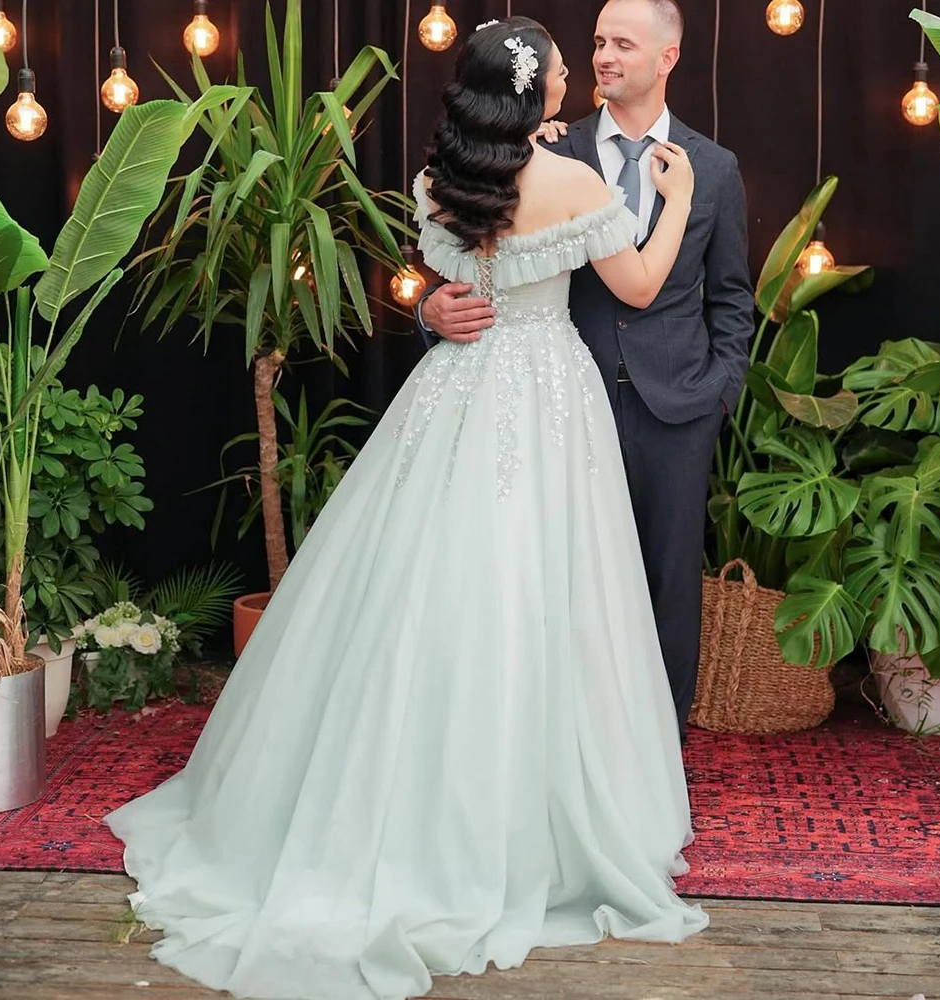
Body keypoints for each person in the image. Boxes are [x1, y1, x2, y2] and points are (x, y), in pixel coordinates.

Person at [104, 16, 708, 1000]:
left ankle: (386, 792)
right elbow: (637, 286)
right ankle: (528, 821)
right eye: (561, 69)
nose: (572, 77)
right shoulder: (578, 184)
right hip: (549, 398)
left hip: (456, 395)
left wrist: (432, 304)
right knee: (544, 595)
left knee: (423, 590)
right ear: (533, 95)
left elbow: (452, 272)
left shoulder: (441, 178)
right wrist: (671, 201)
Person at [420, 0, 755, 738]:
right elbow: (478, 263)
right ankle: (565, 753)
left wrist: (717, 396)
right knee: (563, 586)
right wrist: (429, 314)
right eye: (597, 43)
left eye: (622, 45)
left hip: (678, 410)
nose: (604, 57)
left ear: (666, 57)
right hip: (560, 405)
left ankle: (657, 757)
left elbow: (732, 298)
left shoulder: (715, 168)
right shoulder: (541, 147)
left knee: (669, 590)